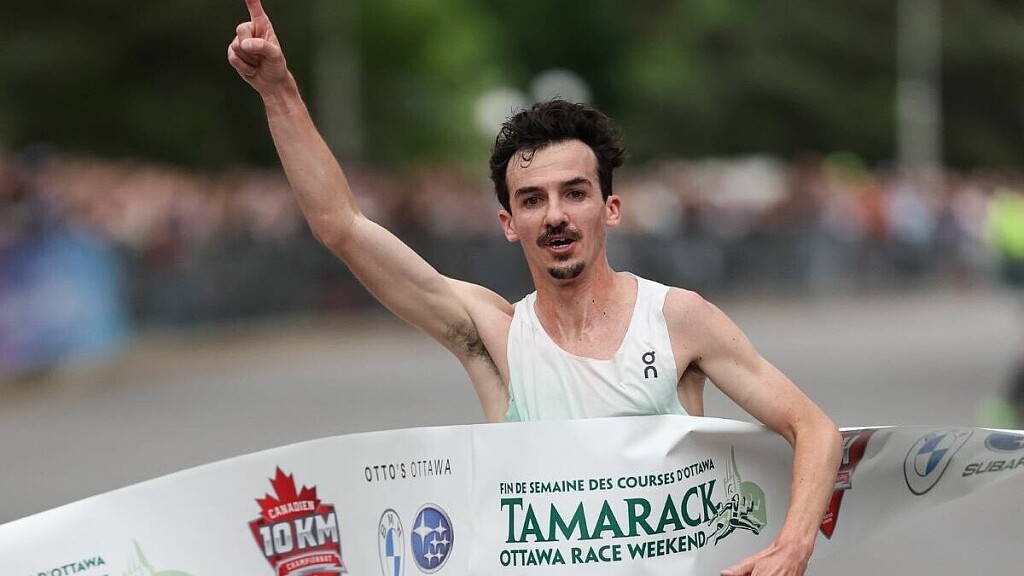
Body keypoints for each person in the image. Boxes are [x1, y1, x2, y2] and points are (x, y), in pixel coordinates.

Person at [227, 1, 842, 574]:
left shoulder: (678, 320)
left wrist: (792, 545)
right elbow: (340, 226)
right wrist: (280, 92)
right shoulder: (495, 337)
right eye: (532, 200)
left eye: (574, 193)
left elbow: (813, 429)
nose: (555, 216)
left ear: (610, 208)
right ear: (508, 222)